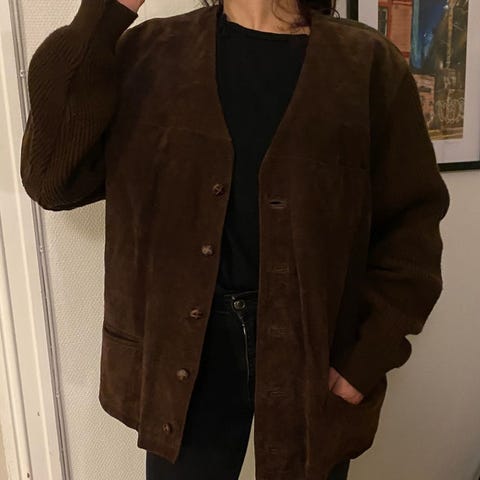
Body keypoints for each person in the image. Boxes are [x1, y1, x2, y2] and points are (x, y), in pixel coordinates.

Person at [20, 0, 450, 478]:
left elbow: (412, 229)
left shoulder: (367, 64)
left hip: (313, 349)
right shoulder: (149, 52)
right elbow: (51, 178)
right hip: (182, 353)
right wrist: (108, 11)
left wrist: (365, 359)